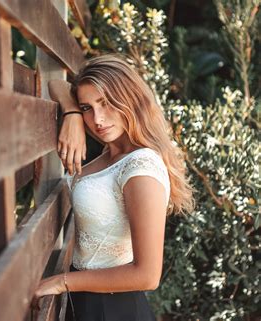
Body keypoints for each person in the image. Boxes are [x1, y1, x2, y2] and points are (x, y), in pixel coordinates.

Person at [31, 54, 195, 321]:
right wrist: (72, 112)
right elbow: (56, 85)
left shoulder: (141, 166)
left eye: (106, 103)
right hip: (87, 302)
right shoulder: (112, 154)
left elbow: (148, 275)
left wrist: (63, 281)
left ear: (129, 98)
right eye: (88, 108)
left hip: (115, 309)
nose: (98, 119)